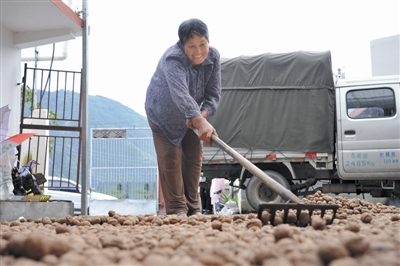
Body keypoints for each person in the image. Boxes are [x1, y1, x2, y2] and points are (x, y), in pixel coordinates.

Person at [145, 18, 221, 217]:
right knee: (171, 159)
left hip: (192, 117)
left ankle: (194, 210)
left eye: (202, 44)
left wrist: (201, 116)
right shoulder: (173, 59)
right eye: (191, 46)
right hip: (163, 116)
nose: (198, 51)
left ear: (208, 41)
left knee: (194, 158)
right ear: (182, 45)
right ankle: (177, 210)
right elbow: (180, 94)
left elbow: (213, 95)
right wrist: (198, 119)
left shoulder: (213, 57)